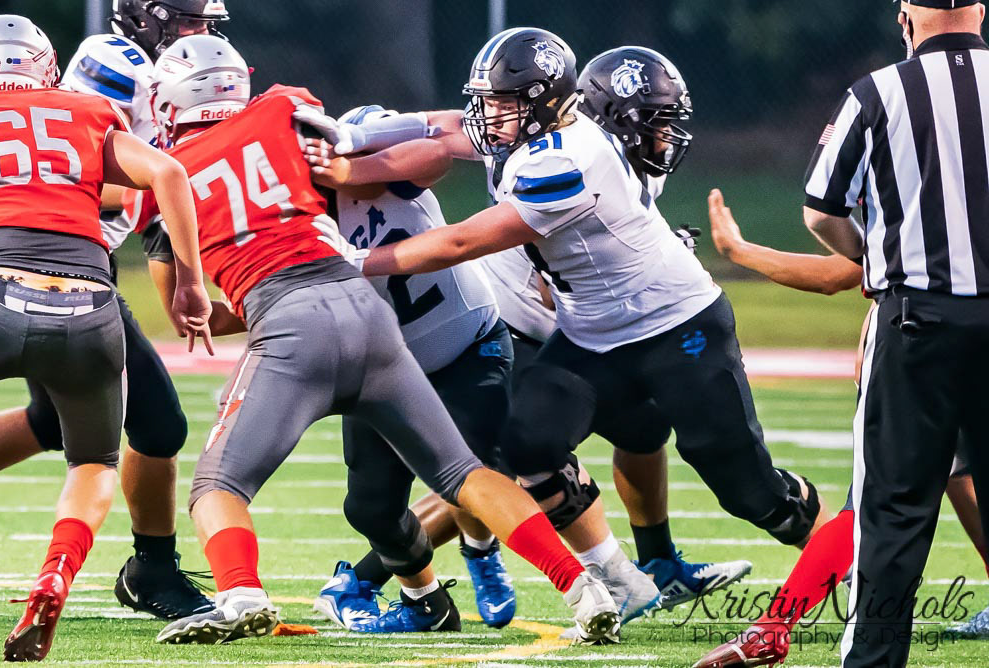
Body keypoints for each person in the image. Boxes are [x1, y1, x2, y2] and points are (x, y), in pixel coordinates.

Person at [308, 28, 830, 608]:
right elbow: (443, 126)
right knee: (523, 444)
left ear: (546, 102)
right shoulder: (535, 129)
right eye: (491, 102)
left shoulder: (566, 159)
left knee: (747, 489)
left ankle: (853, 561)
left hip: (675, 326)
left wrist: (357, 260)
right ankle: (623, 580)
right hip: (590, 334)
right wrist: (352, 140)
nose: (489, 116)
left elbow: (460, 242)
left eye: (503, 104)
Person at [126, 35, 620, 645]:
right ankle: (583, 587)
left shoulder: (157, 180)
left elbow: (190, 310)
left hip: (286, 321)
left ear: (168, 100)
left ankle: (241, 592)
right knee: (462, 472)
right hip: (365, 308)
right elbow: (412, 138)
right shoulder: (282, 108)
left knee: (218, 486)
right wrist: (352, 166)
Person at [0, 0, 230, 621]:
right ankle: (152, 568)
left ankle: (151, 570)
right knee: (134, 428)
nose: (201, 34)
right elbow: (112, 185)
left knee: (71, 423)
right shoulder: (111, 66)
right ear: (149, 17)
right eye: (191, 22)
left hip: (46, 267)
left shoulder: (164, 71)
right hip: (76, 268)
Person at [693, 189, 988, 666]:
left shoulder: (908, 170)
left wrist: (738, 250)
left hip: (923, 339)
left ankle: (773, 627)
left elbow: (835, 257)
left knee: (872, 505)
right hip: (948, 337)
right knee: (954, 470)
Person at [794, 1, 989, 664]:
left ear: (906, 16)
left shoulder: (877, 92)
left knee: (892, 517)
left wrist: (871, 257)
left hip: (916, 321)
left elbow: (821, 210)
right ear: (981, 11)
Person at [308, 104, 518, 630]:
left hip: (466, 343)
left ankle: (481, 549)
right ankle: (425, 603)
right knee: (369, 509)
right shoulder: (299, 214)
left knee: (476, 471)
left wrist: (350, 168)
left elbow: (434, 152)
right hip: (384, 367)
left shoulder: (383, 172)